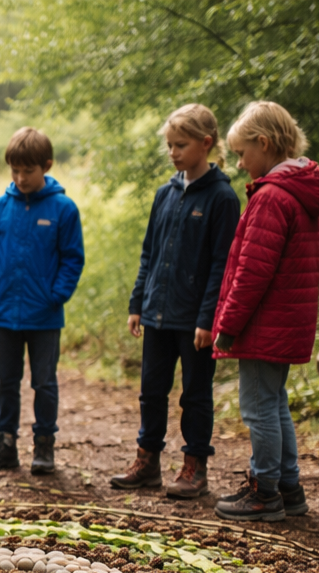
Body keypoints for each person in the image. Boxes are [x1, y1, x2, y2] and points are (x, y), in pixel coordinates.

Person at [209, 101, 319, 521]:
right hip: (284, 322)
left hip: (265, 324)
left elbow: (252, 273)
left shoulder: (272, 197)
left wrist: (227, 323)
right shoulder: (300, 191)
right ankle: (288, 486)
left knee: (259, 407)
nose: (241, 163)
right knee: (274, 403)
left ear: (264, 144)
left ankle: (264, 491)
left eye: (243, 153)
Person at [111, 104, 240, 499]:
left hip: (195, 321)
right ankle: (147, 461)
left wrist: (207, 319)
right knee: (151, 389)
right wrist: (138, 303)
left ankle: (194, 467)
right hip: (156, 313)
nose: (173, 153)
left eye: (180, 145)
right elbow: (149, 253)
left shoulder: (222, 198)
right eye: (169, 145)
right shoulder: (165, 193)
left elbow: (222, 265)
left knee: (195, 394)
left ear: (206, 144)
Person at [0, 127, 84, 476]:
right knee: (6, 383)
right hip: (3, 313)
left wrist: (57, 295)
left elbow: (72, 258)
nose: (20, 178)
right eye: (14, 170)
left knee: (44, 383)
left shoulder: (63, 208)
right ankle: (4, 445)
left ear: (46, 166)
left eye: (28, 171)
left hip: (44, 316)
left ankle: (44, 447)